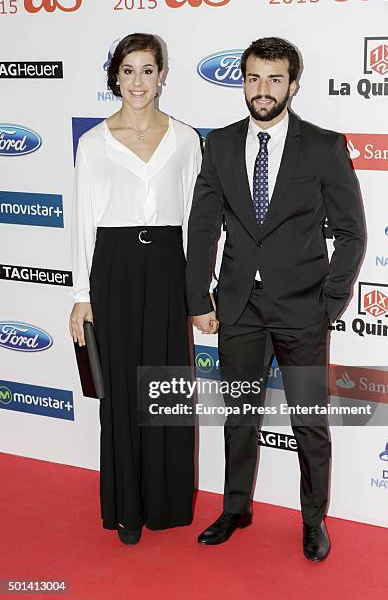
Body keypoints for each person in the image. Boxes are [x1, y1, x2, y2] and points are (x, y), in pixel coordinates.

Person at [186, 37, 365, 561]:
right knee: (239, 415)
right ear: (243, 80)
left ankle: (314, 521)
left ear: (293, 84)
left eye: (274, 79)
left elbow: (352, 232)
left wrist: (330, 301)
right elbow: (202, 228)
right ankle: (236, 507)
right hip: (239, 306)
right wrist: (199, 297)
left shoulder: (323, 145)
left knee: (309, 420)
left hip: (303, 307)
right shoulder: (218, 144)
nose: (263, 90)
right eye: (254, 78)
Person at [69, 33, 201, 544]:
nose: (139, 81)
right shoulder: (94, 142)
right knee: (122, 391)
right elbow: (81, 222)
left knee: (165, 386)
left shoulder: (186, 139)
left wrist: (200, 291)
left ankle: (167, 504)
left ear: (163, 74)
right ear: (115, 78)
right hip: (115, 270)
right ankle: (127, 508)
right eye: (129, 70)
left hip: (169, 265)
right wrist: (82, 294)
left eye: (148, 70)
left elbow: (196, 219)